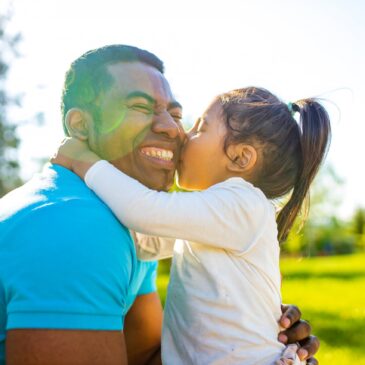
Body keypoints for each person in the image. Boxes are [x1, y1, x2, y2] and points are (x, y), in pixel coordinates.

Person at [0, 45, 319, 365]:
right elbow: (146, 217)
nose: (175, 130)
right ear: (80, 125)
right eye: (140, 106)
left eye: (188, 121)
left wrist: (255, 320)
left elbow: (146, 355)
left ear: (240, 158)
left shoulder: (239, 204)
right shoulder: (73, 225)